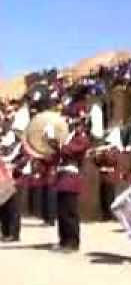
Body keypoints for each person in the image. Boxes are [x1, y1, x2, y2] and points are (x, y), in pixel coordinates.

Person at [49, 107, 92, 253]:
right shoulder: (68, 137)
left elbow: (72, 150)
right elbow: (58, 155)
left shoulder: (82, 137)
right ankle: (63, 240)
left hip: (71, 176)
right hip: (62, 176)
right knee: (61, 212)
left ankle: (73, 242)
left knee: (70, 212)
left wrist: (58, 145)